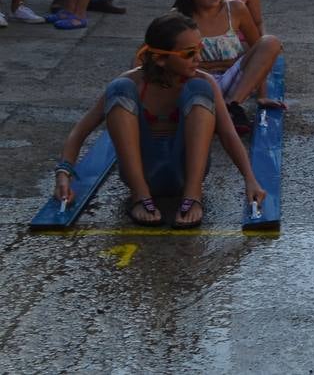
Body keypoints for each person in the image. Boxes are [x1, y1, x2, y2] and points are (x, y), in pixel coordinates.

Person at [51, 12, 265, 227]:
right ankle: (140, 195)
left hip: (184, 174)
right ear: (160, 58)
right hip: (143, 175)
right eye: (189, 53)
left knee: (201, 88)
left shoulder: (203, 80)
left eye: (200, 49)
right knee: (119, 89)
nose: (199, 59)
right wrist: (63, 174)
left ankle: (193, 195)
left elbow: (228, 134)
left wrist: (250, 179)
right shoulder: (132, 81)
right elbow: (79, 131)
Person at [172, 0, 285, 134]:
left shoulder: (236, 9)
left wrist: (262, 96)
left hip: (234, 84)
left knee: (271, 42)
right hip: (197, 84)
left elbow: (258, 52)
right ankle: (218, 109)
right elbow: (158, 59)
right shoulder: (178, 18)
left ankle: (232, 105)